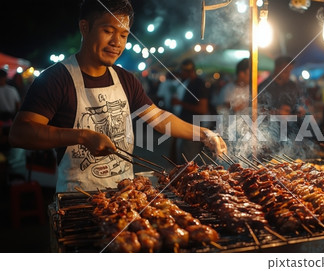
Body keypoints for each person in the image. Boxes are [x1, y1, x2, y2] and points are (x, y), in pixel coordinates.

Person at [9, 0, 226, 192]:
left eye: (123, 34)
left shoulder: (125, 79)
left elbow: (159, 119)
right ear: (85, 28)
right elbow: (20, 133)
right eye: (108, 30)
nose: (117, 42)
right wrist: (82, 136)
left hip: (124, 193)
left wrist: (204, 133)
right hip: (77, 197)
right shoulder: (56, 79)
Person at [170, 58, 210, 162]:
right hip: (183, 124)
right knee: (181, 157)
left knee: (189, 161)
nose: (181, 74)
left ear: (190, 71)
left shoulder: (199, 84)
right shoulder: (185, 82)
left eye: (183, 71)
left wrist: (180, 103)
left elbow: (202, 108)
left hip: (193, 127)